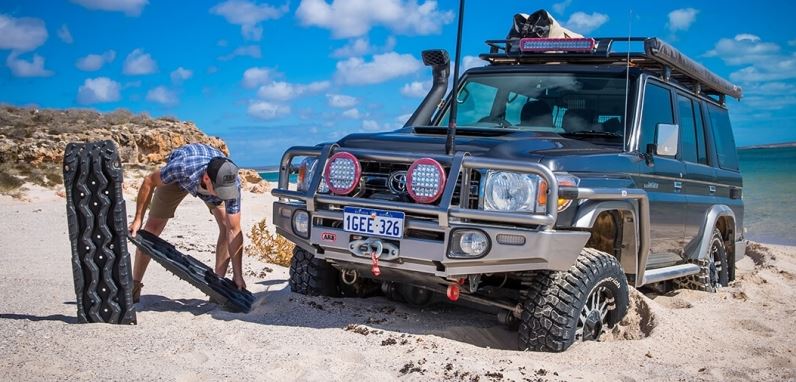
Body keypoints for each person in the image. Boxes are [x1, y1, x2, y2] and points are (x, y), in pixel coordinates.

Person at [128, 143, 246, 303]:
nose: (225, 195)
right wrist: (138, 219)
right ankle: (135, 285)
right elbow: (149, 181)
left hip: (210, 181)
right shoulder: (182, 167)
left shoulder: (232, 183)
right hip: (179, 181)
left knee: (226, 226)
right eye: (221, 191)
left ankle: (217, 287)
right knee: (151, 230)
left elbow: (234, 229)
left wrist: (238, 275)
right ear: (206, 179)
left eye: (227, 192)